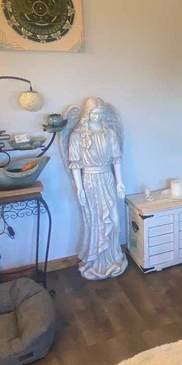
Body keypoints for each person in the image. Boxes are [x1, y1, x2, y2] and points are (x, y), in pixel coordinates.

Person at [67, 97, 127, 280]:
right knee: (95, 221)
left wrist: (119, 182)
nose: (97, 116)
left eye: (100, 114)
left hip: (107, 177)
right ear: (87, 113)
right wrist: (79, 189)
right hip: (90, 180)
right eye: (94, 113)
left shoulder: (109, 133)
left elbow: (116, 159)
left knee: (114, 221)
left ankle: (113, 257)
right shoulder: (77, 135)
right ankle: (96, 261)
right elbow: (75, 164)